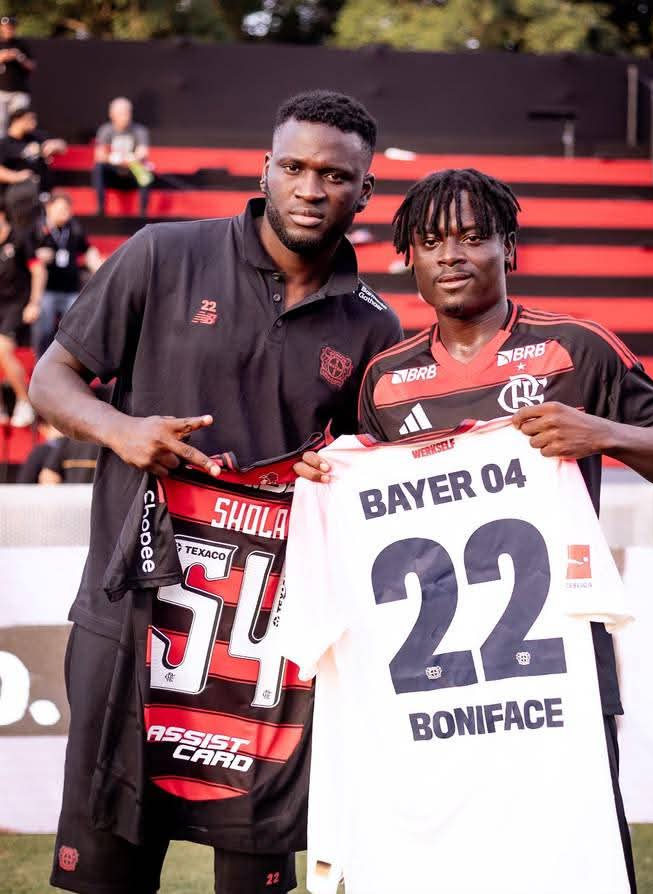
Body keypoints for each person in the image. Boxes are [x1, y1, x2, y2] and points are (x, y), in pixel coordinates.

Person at [294, 167, 653, 894]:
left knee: (574, 856)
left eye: (471, 237)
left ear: (508, 248)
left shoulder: (575, 349)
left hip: (556, 663)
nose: (450, 255)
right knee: (441, 858)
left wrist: (602, 433)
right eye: (431, 242)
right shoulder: (384, 380)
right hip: (424, 677)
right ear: (409, 259)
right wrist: (325, 478)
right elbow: (363, 504)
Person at [28, 89, 402, 894]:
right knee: (107, 877)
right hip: (133, 617)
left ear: (365, 191)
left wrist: (334, 470)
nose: (310, 189)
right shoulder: (163, 253)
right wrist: (122, 431)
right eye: (294, 167)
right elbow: (51, 379)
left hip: (266, 648)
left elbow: (365, 474)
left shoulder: (373, 326)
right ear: (265, 170)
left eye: (335, 176)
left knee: (253, 879)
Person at [33, 192, 102, 358]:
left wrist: (101, 268)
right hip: (47, 290)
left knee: (73, 331)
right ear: (49, 208)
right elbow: (27, 256)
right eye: (61, 209)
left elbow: (87, 250)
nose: (65, 213)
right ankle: (40, 363)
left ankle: (66, 364)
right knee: (44, 330)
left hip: (71, 289)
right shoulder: (38, 229)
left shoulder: (74, 228)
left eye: (67, 209)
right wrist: (38, 256)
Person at [0, 194, 45, 427]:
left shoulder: (18, 239)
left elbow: (38, 271)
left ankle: (24, 401)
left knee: (2, 348)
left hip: (16, 304)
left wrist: (34, 302)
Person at [0, 107, 67, 236]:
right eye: (29, 119)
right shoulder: (4, 144)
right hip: (16, 197)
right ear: (17, 120)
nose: (33, 122)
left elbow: (62, 146)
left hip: (41, 194)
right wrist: (17, 176)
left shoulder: (35, 137)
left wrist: (53, 145)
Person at [93, 97, 152, 216]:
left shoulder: (139, 130)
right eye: (121, 113)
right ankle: (101, 209)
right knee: (98, 168)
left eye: (127, 112)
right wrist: (114, 159)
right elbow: (99, 155)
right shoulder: (105, 130)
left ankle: (143, 212)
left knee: (145, 169)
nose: (125, 116)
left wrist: (131, 159)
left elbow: (143, 152)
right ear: (112, 115)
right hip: (113, 173)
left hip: (132, 172)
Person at [0, 13, 35, 136]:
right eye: (6, 26)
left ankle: (19, 146)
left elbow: (32, 66)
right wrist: (2, 57)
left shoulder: (21, 44)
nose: (8, 29)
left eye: (11, 27)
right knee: (1, 123)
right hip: (1, 91)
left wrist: (19, 57)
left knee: (20, 121)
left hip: (19, 91)